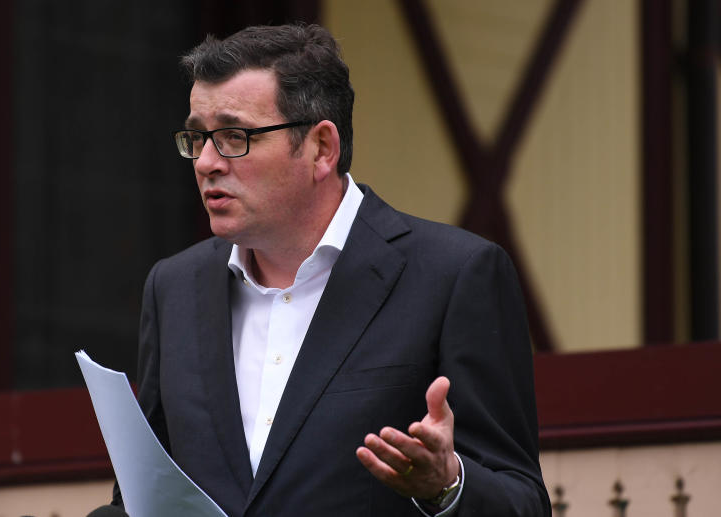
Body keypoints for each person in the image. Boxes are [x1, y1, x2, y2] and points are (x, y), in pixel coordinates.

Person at [99, 23, 549, 516]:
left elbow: (523, 502)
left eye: (233, 136)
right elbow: (143, 497)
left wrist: (447, 486)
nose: (206, 162)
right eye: (198, 137)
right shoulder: (174, 288)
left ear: (320, 148)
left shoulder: (454, 275)